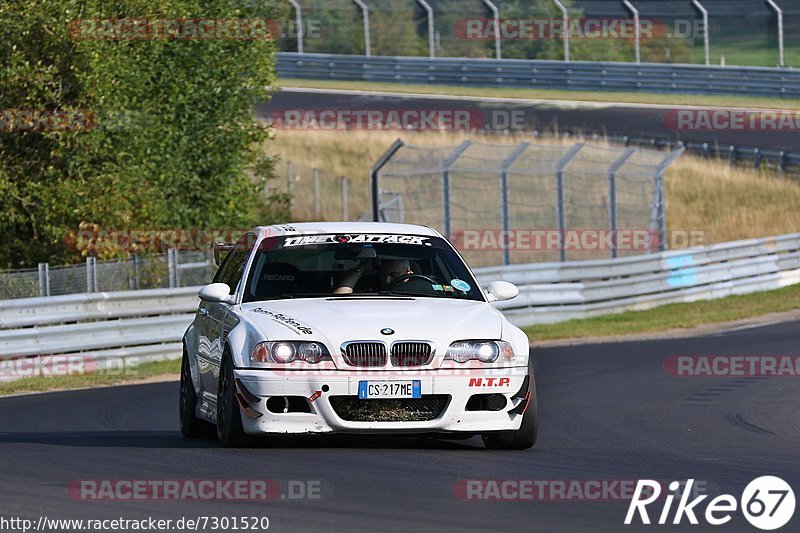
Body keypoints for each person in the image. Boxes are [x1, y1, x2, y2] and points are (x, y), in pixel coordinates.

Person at [333, 258, 412, 294]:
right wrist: (362, 268)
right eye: (382, 274)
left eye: (393, 275)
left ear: (408, 273)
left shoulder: (421, 293)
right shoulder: (372, 292)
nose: (386, 280)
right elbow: (339, 296)